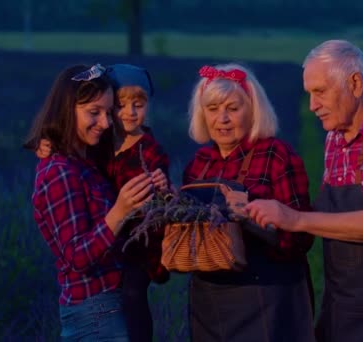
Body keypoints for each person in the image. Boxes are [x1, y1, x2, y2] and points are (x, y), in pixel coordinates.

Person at [246, 39, 363, 341]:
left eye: (320, 92)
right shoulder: (335, 137)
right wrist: (252, 206)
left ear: (356, 83)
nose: (311, 106)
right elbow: (328, 217)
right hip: (343, 306)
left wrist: (294, 219)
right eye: (309, 94)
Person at [35, 64, 171, 342]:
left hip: (109, 305)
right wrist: (121, 210)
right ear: (65, 109)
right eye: (94, 112)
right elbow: (77, 256)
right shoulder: (60, 171)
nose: (107, 122)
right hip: (95, 311)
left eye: (108, 112)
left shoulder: (87, 161)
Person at [182, 63, 316, 342]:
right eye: (213, 109)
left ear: (253, 109)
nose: (223, 119)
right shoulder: (199, 165)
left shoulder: (276, 155)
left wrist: (253, 220)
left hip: (267, 298)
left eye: (233, 108)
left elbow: (301, 239)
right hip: (209, 300)